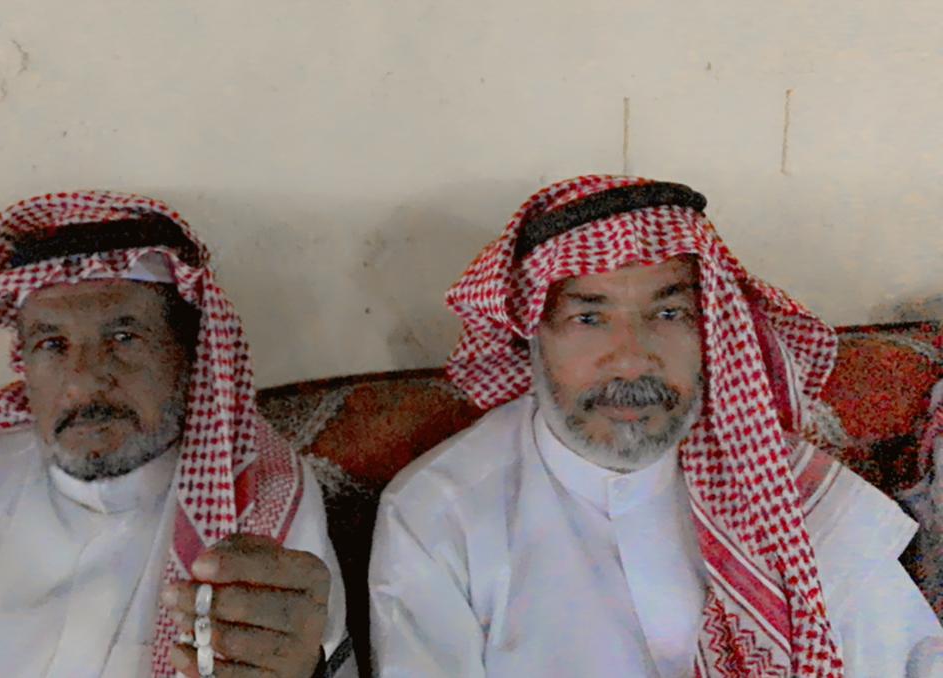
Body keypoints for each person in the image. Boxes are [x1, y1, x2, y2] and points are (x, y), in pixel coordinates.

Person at [368, 175, 943, 677]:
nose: (631, 360)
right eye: (588, 317)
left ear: (709, 329)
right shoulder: (439, 513)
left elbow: (911, 659)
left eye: (668, 314)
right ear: (532, 338)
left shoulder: (781, 486)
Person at [0, 191, 352, 677]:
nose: (84, 379)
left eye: (124, 338)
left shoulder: (258, 502)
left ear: (189, 354)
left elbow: (299, 656)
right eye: (52, 344)